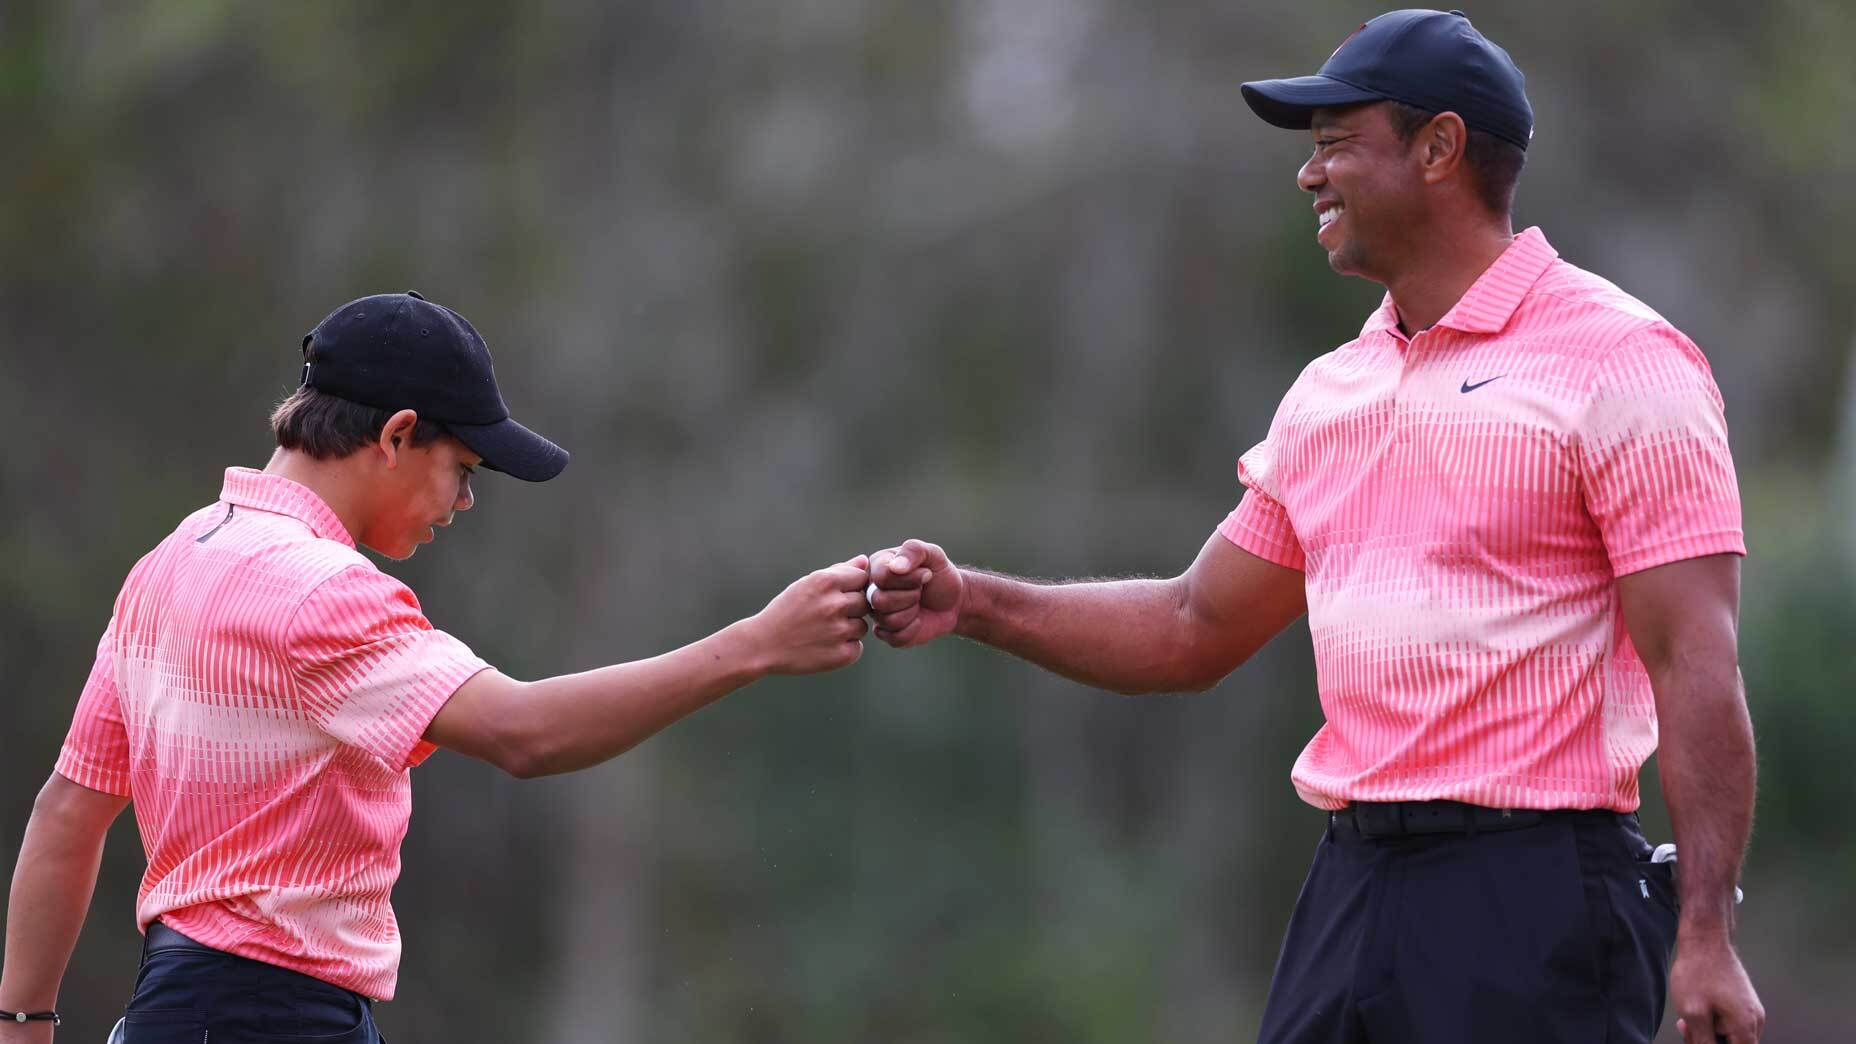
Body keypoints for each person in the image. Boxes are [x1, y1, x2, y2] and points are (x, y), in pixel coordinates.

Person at [864, 10, 1763, 1044]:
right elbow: (1191, 627)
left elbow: (1693, 656)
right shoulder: (1329, 393)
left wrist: (1704, 930)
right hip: (1352, 886)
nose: (1309, 175)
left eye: (1336, 143)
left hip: (1533, 893)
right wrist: (973, 602)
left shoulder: (1621, 362)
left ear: (1438, 150)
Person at [0, 291, 871, 1042]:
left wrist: (24, 1025)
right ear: (397, 434)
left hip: (195, 1008)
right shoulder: (323, 592)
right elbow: (526, 733)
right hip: (263, 1014)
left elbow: (67, 814)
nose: (464, 501)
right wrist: (757, 645)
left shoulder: (173, 560)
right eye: (462, 468)